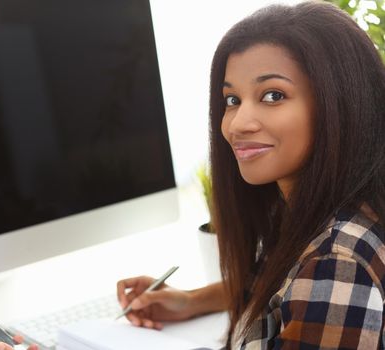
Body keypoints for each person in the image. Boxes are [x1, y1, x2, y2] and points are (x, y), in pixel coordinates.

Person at [117, 1, 385, 349]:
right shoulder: (324, 210)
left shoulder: (336, 262)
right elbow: (283, 284)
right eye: (232, 100)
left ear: (339, 105)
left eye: (273, 95)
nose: (237, 124)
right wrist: (192, 300)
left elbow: (317, 281)